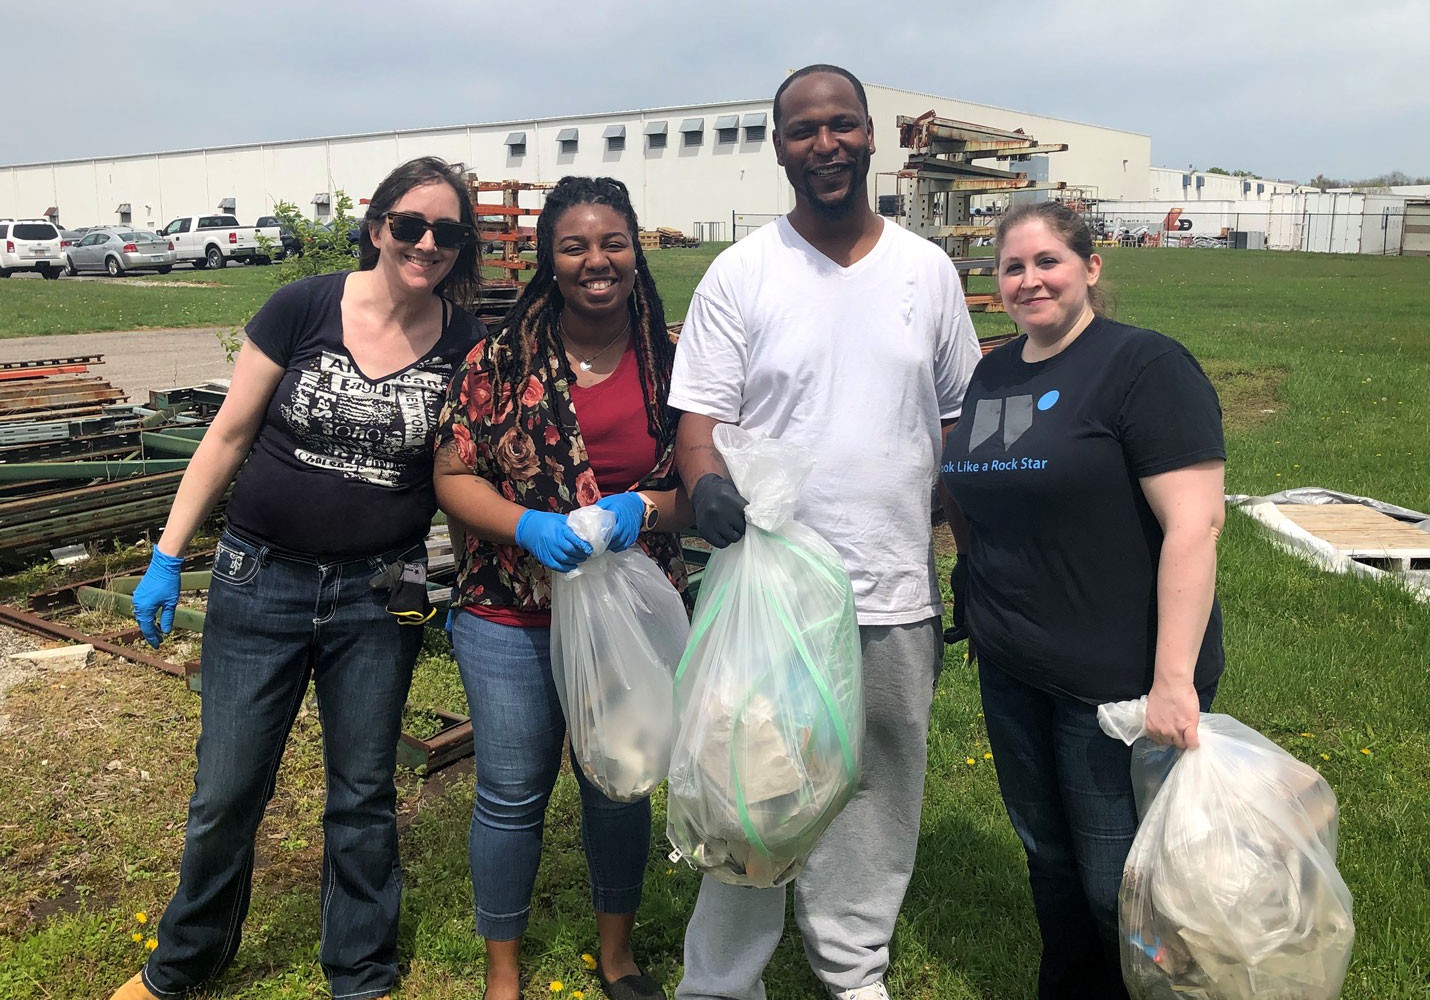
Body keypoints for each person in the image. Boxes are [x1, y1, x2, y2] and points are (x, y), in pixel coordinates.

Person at [112, 156, 485, 1000]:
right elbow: (227, 436)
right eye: (410, 224)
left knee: (363, 795)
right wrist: (168, 555)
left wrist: (463, 584)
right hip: (260, 581)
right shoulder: (304, 304)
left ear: (462, 248)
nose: (426, 244)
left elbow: (457, 479)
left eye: (448, 233)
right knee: (227, 788)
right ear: (376, 223)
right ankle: (181, 966)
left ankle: (359, 971)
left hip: (381, 595)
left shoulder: (466, 344)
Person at [669, 64, 981, 1000]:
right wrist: (705, 484)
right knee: (750, 783)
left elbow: (960, 425)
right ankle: (724, 980)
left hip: (894, 582)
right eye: (803, 131)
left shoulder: (926, 272)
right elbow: (697, 426)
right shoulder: (743, 273)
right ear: (779, 147)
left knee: (880, 786)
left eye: (842, 125)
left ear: (873, 136)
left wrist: (976, 563)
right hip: (772, 591)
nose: (826, 145)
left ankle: (853, 968)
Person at [940, 201, 1226, 998]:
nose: (1030, 280)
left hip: (1117, 683)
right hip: (1012, 664)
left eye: (1048, 262)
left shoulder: (1144, 367)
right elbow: (978, 490)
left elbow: (1195, 526)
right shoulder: (995, 373)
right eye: (1013, 267)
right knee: (1049, 860)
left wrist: (1173, 679)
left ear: (1091, 268)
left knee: (1120, 884)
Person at [433, 175, 692, 1000]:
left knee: (619, 784)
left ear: (635, 249)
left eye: (612, 242)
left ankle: (616, 958)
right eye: (575, 245)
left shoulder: (674, 364)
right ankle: (502, 976)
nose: (596, 260)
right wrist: (525, 526)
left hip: (629, 612)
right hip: (508, 609)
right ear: (550, 257)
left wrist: (643, 506)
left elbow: (706, 488)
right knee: (511, 793)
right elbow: (453, 475)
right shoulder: (498, 358)